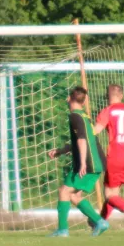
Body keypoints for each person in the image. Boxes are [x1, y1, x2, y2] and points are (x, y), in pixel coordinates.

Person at [47, 86, 110, 237]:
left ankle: (63, 230)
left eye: (68, 97)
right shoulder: (84, 115)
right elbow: (81, 140)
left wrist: (82, 163)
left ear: (70, 98)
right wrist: (61, 151)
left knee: (64, 191)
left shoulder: (74, 116)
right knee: (74, 196)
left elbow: (82, 140)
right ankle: (99, 222)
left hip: (88, 162)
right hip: (96, 162)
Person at [94, 84, 124, 234]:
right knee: (114, 193)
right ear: (122, 95)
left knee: (109, 194)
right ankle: (100, 223)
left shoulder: (108, 111)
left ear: (108, 97)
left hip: (117, 156)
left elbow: (96, 130)